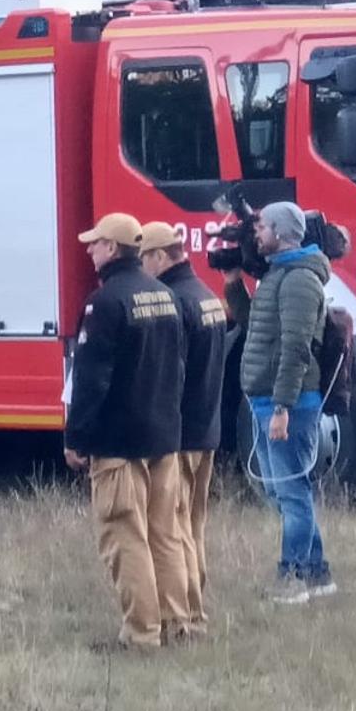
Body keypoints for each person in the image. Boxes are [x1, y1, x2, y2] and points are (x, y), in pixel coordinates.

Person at [62, 213, 191, 651]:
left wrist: (76, 438)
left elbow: (90, 379)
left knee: (125, 536)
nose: (89, 250)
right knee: (165, 533)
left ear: (113, 249)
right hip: (164, 437)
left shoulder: (105, 302)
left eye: (95, 243)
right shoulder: (165, 295)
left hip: (119, 444)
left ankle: (141, 633)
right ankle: (177, 624)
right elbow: (178, 368)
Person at [240, 202, 337, 604]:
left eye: (261, 227)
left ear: (280, 231)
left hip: (287, 404)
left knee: (292, 492)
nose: (256, 233)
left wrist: (282, 408)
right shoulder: (279, 274)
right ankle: (317, 574)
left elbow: (296, 348)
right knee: (283, 492)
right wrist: (232, 284)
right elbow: (260, 329)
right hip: (267, 399)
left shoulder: (298, 280)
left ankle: (292, 578)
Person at [140, 221, 227, 633]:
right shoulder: (208, 296)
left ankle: (189, 614)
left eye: (144, 258)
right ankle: (198, 604)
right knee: (195, 525)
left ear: (159, 256)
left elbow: (170, 376)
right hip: (208, 428)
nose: (142, 267)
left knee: (174, 528)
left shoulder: (173, 302)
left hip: (181, 435)